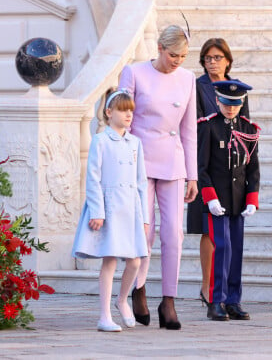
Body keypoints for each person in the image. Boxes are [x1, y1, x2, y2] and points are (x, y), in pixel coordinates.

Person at [118, 25, 198, 330]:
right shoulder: (135, 73)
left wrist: (192, 175)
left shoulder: (188, 79)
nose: (177, 60)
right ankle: (138, 290)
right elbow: (122, 120)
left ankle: (169, 300)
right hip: (139, 161)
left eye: (183, 55)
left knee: (174, 233)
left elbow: (190, 130)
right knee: (145, 231)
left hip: (173, 162)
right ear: (160, 49)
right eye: (173, 54)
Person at [71, 90, 149, 332]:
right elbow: (92, 177)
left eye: (131, 110)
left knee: (135, 261)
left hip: (131, 208)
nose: (128, 114)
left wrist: (145, 216)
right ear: (108, 112)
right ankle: (104, 315)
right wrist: (97, 211)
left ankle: (122, 299)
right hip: (110, 206)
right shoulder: (100, 140)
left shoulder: (135, 142)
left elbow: (142, 182)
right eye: (122, 110)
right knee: (111, 259)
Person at [186, 38, 250, 307]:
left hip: (232, 169)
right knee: (207, 230)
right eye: (208, 58)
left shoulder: (238, 89)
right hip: (206, 165)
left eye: (217, 57)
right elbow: (195, 125)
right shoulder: (196, 87)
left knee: (230, 236)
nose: (212, 62)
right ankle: (207, 286)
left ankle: (226, 292)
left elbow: (246, 129)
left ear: (227, 60)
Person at [198, 79, 260, 321]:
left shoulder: (249, 129)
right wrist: (210, 199)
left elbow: (253, 169)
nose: (230, 108)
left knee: (236, 250)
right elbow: (201, 168)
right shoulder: (208, 127)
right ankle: (216, 300)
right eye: (226, 103)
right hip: (217, 201)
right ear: (217, 101)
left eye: (235, 104)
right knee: (221, 248)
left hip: (238, 200)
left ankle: (233, 300)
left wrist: (252, 198)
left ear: (241, 102)